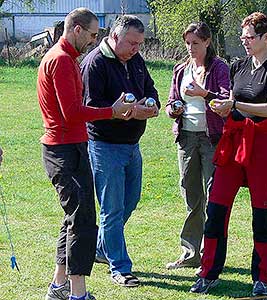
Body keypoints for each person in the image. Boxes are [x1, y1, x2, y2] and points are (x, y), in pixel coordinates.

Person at [190, 12, 267, 296]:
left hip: (262, 144)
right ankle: (208, 272)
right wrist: (220, 104)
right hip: (233, 141)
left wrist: (236, 104)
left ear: (266, 38)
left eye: (249, 37)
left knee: (262, 214)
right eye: (242, 36)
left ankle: (261, 279)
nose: (244, 41)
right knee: (216, 209)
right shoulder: (238, 66)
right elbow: (230, 102)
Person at [37, 8, 134, 300]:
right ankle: (78, 294)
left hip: (66, 147)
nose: (94, 41)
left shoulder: (62, 58)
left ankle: (58, 286)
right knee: (82, 222)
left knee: (73, 218)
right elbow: (72, 113)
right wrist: (112, 112)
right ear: (76, 29)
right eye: (92, 35)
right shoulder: (63, 61)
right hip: (65, 150)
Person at [80, 15, 159, 287]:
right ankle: (120, 267)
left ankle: (101, 248)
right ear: (114, 37)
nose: (136, 48)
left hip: (132, 144)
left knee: (130, 201)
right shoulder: (94, 64)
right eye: (132, 43)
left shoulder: (136, 61)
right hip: (105, 146)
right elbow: (91, 108)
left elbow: (150, 89)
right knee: (112, 210)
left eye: (140, 43)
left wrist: (152, 105)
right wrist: (124, 112)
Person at [165, 22, 229, 270]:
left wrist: (204, 94)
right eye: (188, 43)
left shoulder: (219, 67)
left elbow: (225, 99)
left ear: (207, 42)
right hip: (187, 138)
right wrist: (175, 109)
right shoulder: (181, 69)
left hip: (212, 138)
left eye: (196, 43)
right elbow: (171, 102)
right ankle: (191, 254)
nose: (191, 48)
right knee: (191, 196)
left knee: (214, 197)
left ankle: (212, 255)